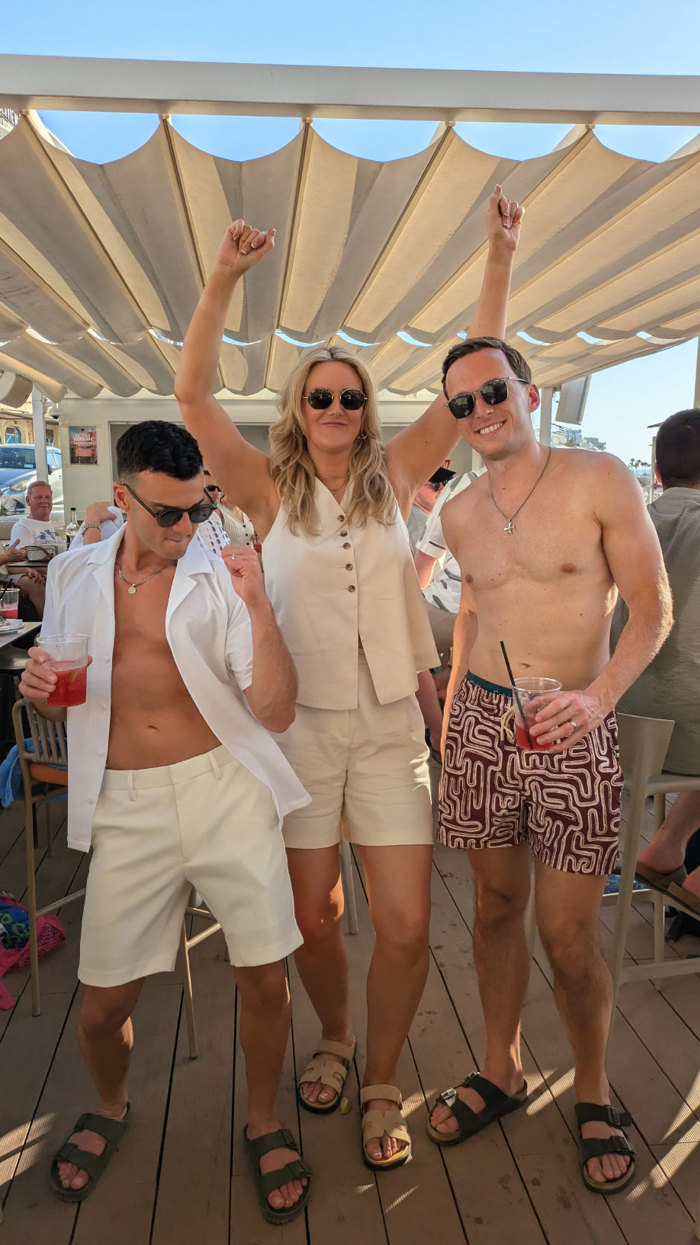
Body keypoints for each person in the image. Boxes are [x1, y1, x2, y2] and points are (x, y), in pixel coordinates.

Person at [175, 186, 522, 1169]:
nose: (335, 407)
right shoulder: (263, 489)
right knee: (314, 918)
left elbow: (470, 378)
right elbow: (195, 398)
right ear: (299, 410)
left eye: (350, 396)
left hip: (385, 735)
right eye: (319, 396)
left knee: (408, 921)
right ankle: (331, 1035)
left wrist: (496, 256)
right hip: (296, 731)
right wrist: (222, 281)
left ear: (366, 411)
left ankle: (380, 1075)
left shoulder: (395, 472)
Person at [19, 421, 313, 1225]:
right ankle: (111, 1103)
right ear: (121, 498)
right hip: (126, 802)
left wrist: (258, 604)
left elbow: (278, 709)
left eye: (198, 509)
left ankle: (264, 1117)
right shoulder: (76, 573)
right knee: (102, 1004)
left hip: (224, 787)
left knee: (263, 973)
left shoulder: (222, 573)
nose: (188, 528)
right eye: (169, 514)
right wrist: (41, 688)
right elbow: (52, 684)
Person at [428, 335, 672, 1194]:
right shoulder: (457, 512)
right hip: (485, 729)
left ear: (529, 391)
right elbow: (468, 616)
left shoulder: (599, 478)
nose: (480, 410)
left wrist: (599, 698)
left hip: (576, 721)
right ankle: (501, 1065)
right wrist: (454, 720)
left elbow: (652, 610)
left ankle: (594, 1087)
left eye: (492, 390)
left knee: (569, 935)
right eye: (462, 403)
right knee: (495, 906)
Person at [612, 409, 700, 915]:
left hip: (620, 730)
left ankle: (666, 847)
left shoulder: (631, 523)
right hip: (687, 738)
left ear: (659, 472)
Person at [405, 465, 454, 554]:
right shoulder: (423, 524)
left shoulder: (407, 513)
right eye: (436, 485)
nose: (442, 490)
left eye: (445, 483)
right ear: (415, 485)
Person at [10, 480, 64, 549]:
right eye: (39, 497)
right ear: (28, 500)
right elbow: (24, 557)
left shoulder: (59, 526)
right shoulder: (22, 527)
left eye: (47, 497)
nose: (44, 501)